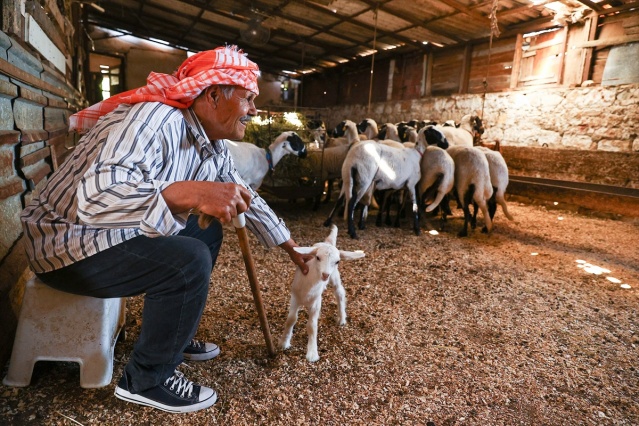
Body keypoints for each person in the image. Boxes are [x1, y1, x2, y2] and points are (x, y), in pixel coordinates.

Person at [20, 45, 310, 414]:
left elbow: (244, 194)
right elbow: (96, 199)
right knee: (188, 258)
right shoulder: (154, 119)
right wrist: (185, 192)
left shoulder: (211, 144)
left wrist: (291, 247)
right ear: (213, 93)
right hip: (65, 243)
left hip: (103, 236)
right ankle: (147, 378)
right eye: (248, 98)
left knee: (206, 234)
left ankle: (174, 338)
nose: (254, 109)